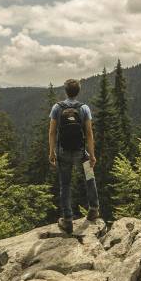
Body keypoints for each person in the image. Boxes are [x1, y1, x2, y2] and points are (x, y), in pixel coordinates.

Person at [48, 79, 100, 233]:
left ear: (65, 91)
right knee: (89, 177)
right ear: (78, 91)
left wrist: (52, 152)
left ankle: (68, 219)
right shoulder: (84, 108)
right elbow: (89, 133)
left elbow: (52, 132)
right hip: (80, 152)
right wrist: (91, 155)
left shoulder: (57, 108)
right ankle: (94, 209)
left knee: (65, 185)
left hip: (63, 153)